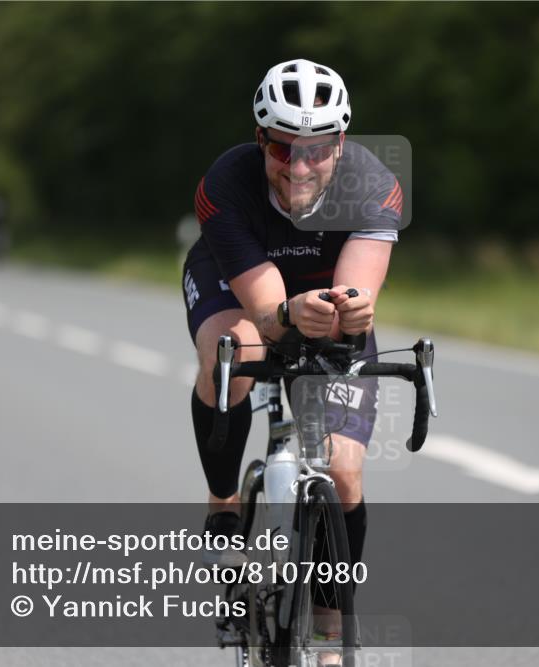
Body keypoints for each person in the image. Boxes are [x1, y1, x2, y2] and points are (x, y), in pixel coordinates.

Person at [181, 59, 402, 636]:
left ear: (340, 144)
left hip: (321, 283)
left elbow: (356, 297)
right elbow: (268, 314)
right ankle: (223, 501)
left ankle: (331, 627)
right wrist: (284, 316)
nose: (300, 167)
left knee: (346, 473)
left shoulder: (376, 185)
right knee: (236, 350)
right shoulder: (225, 184)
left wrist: (351, 311)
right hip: (238, 280)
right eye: (283, 150)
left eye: (317, 150)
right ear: (261, 140)